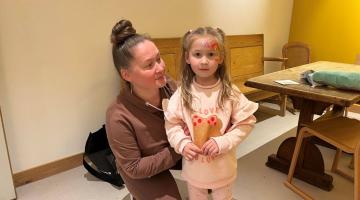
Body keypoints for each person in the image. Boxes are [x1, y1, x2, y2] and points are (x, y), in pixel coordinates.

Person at [164, 27, 259, 200]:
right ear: (187, 58)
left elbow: (247, 122)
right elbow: (172, 124)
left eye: (211, 55)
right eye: (198, 54)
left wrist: (224, 141)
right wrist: (182, 143)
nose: (204, 61)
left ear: (220, 58)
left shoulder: (229, 92)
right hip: (194, 169)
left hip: (223, 168)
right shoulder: (182, 94)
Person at [105, 19, 182, 200]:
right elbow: (134, 168)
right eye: (149, 65)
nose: (161, 67)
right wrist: (179, 148)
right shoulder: (117, 115)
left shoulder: (169, 86)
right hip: (144, 168)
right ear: (127, 75)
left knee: (215, 165)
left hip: (175, 148)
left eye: (159, 58)